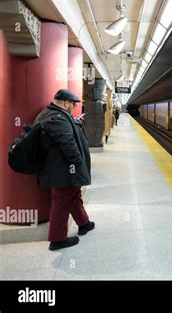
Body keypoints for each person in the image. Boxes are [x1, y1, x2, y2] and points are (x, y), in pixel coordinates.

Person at [34, 89, 95, 251]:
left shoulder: (51, 114)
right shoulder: (57, 118)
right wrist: (78, 161)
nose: (74, 107)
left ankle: (84, 223)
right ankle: (57, 239)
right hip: (65, 169)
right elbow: (67, 143)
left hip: (62, 168)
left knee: (74, 195)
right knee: (62, 201)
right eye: (73, 104)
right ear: (66, 103)